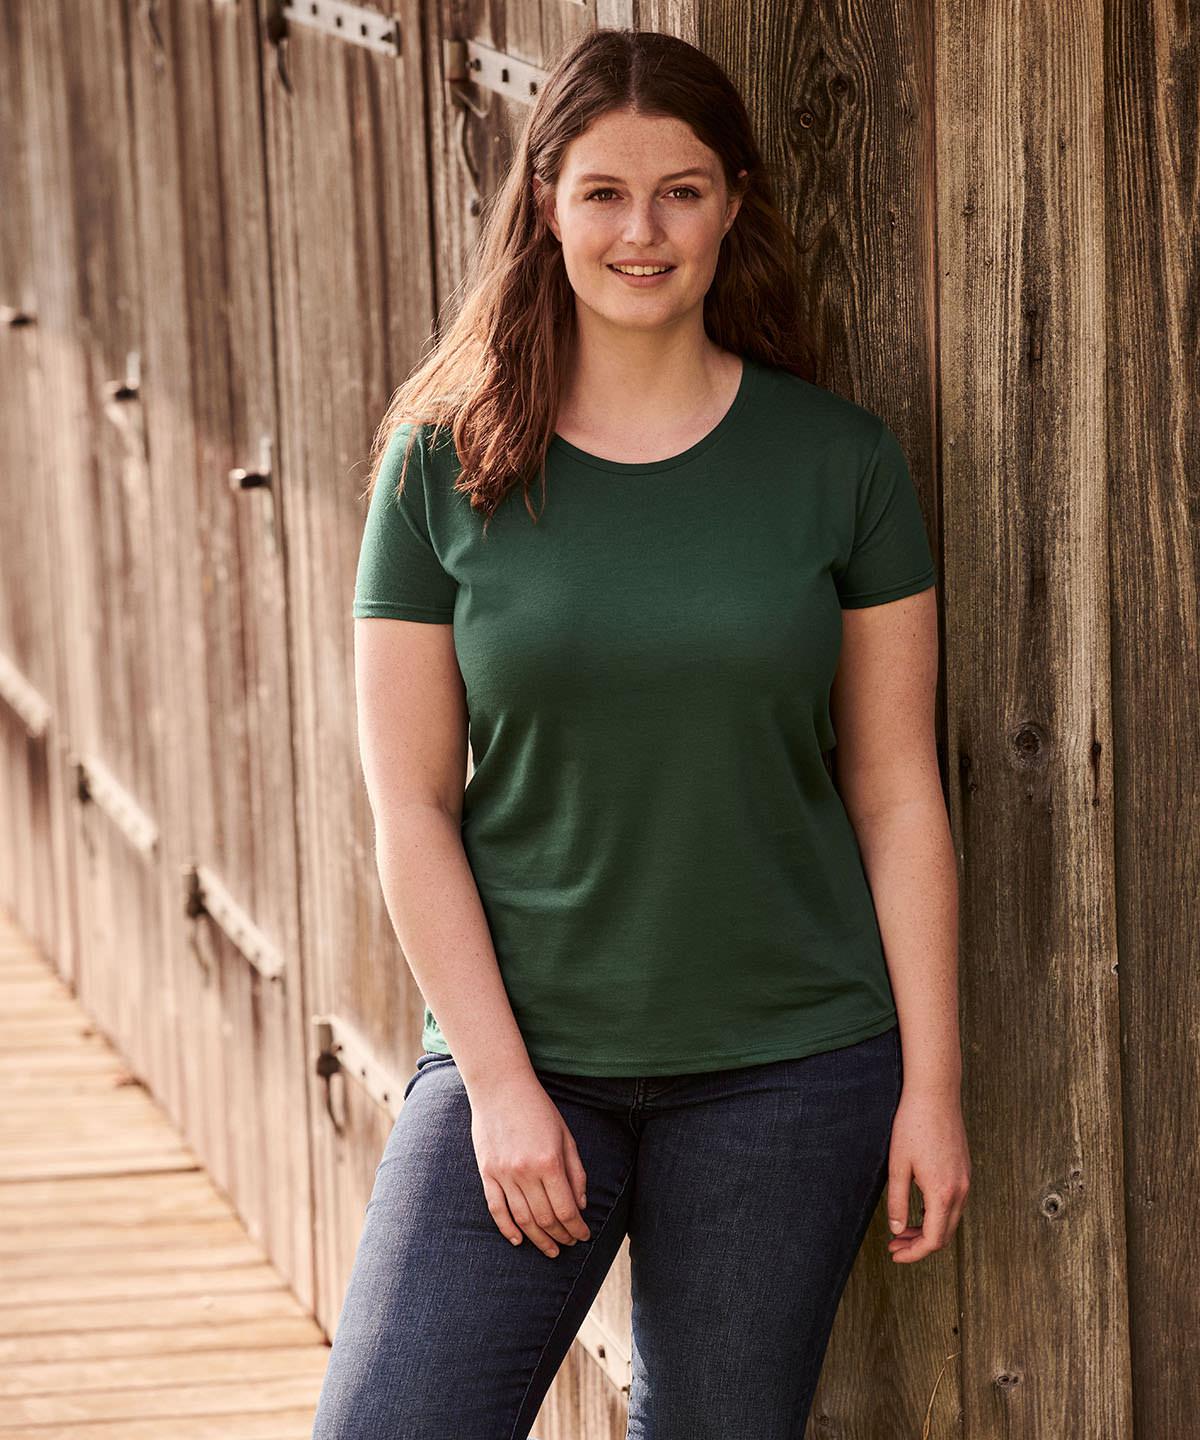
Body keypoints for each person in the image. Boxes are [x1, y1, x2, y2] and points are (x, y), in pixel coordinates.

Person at [312, 26, 969, 1440]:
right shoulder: (443, 467)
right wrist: (492, 1086)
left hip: (790, 1072)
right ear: (544, 205)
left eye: (680, 190)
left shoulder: (839, 465)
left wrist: (933, 1087)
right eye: (604, 192)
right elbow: (412, 808)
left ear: (733, 204)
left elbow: (898, 791)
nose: (643, 231)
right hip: (526, 1050)